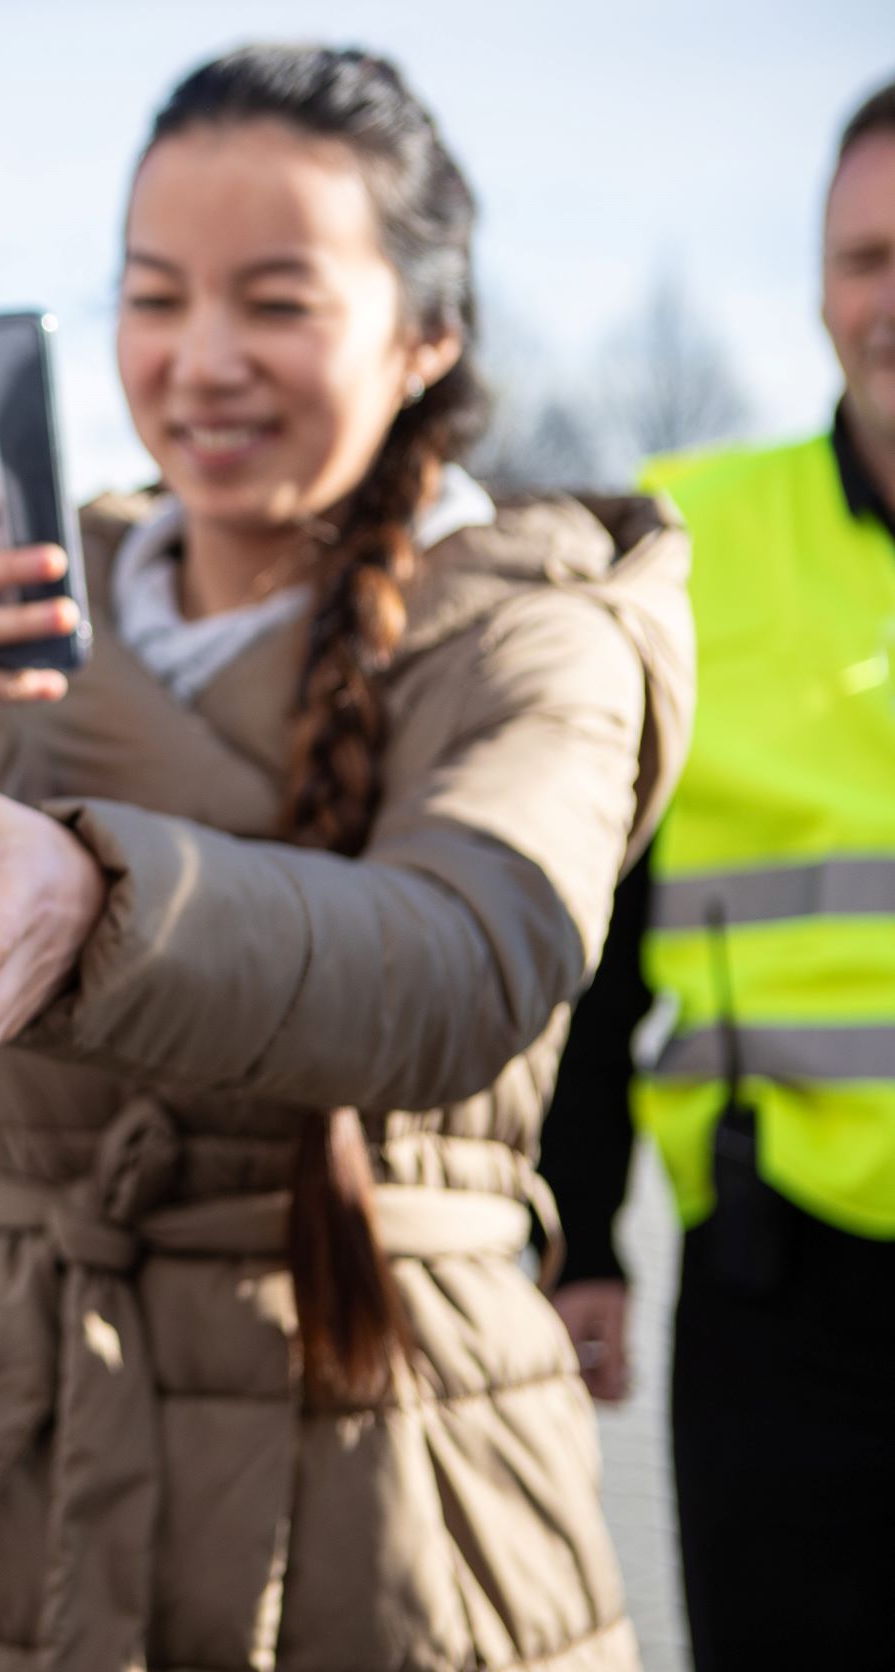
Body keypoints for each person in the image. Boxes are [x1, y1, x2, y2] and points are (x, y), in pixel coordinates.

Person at [0, 44, 695, 1671]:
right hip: (8, 1463)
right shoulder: (28, 604)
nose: (200, 363)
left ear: (428, 335)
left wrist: (102, 901)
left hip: (392, 1468)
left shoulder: (540, 622)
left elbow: (467, 959)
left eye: (276, 303)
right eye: (153, 297)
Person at [538, 76, 895, 1672]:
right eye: (866, 260)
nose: (890, 300)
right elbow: (595, 931)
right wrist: (588, 1234)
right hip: (783, 1285)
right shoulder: (694, 538)